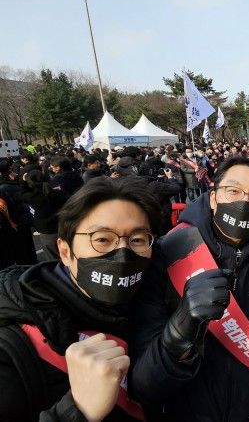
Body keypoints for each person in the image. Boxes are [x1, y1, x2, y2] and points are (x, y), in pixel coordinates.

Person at [129, 157, 249, 421]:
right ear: (213, 198)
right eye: (233, 190)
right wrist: (181, 327)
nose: (244, 202)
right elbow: (144, 385)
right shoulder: (168, 253)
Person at [0, 176, 161, 421]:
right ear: (65, 251)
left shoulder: (148, 304)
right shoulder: (10, 345)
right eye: (102, 239)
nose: (122, 254)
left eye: (137, 240)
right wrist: (77, 410)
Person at [22, 169, 70, 261]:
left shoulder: (32, 198)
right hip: (64, 228)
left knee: (53, 260)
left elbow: (22, 193)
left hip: (47, 233)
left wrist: (24, 182)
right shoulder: (60, 193)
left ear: (31, 184)